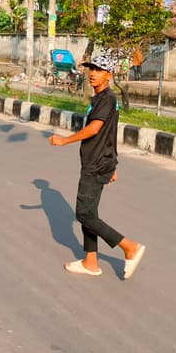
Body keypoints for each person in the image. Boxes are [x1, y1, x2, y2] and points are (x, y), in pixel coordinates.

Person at [48, 53, 146, 279]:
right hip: (100, 161)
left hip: (95, 163)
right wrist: (112, 166)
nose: (92, 73)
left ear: (109, 75)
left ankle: (129, 247)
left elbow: (95, 129)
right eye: (91, 69)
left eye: (99, 70)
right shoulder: (101, 98)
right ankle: (90, 261)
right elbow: (110, 134)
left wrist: (64, 140)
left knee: (84, 214)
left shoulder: (107, 99)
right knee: (89, 212)